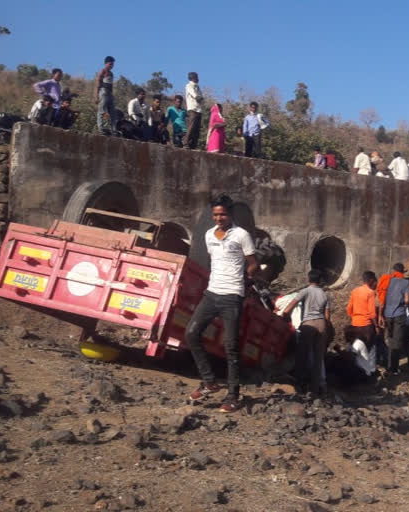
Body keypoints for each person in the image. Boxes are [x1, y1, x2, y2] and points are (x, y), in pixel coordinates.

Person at [186, 194, 257, 413]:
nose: (219, 218)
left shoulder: (241, 235)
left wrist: (244, 280)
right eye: (215, 214)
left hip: (232, 296)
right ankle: (209, 382)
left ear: (231, 214)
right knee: (191, 334)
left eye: (223, 214)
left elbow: (253, 264)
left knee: (230, 346)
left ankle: (233, 396)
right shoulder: (209, 235)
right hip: (211, 293)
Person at [282, 269, 331, 395]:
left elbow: (289, 308)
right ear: (320, 281)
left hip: (308, 324)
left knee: (302, 356)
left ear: (309, 279)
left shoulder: (305, 291)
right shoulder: (325, 294)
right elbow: (327, 317)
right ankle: (316, 388)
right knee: (318, 358)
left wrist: (285, 317)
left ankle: (300, 385)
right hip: (321, 324)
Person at [378, 263, 409, 374]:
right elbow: (406, 300)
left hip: (387, 315)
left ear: (394, 270)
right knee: (397, 342)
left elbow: (382, 300)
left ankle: (386, 364)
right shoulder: (406, 282)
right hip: (399, 315)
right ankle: (394, 368)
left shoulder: (388, 280)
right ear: (403, 272)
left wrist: (380, 315)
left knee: (388, 339)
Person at [346, 271, 379, 352]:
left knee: (357, 350)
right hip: (366, 326)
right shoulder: (370, 292)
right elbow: (372, 313)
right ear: (371, 280)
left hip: (355, 325)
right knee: (367, 350)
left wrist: (354, 318)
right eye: (374, 280)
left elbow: (349, 309)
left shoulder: (355, 291)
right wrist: (376, 326)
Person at [95, 56, 116, 134]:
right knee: (101, 111)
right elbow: (98, 83)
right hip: (103, 92)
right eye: (110, 64)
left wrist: (112, 94)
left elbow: (111, 85)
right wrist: (96, 95)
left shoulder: (111, 73)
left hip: (109, 94)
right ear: (106, 63)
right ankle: (101, 129)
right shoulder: (103, 71)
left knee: (113, 113)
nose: (111, 66)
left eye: (112, 64)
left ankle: (114, 130)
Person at [185, 72, 204, 149]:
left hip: (199, 110)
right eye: (197, 77)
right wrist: (199, 97)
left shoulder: (197, 87)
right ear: (193, 78)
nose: (198, 78)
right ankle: (185, 142)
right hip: (193, 109)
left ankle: (193, 145)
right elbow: (197, 97)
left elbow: (201, 97)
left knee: (197, 129)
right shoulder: (189, 86)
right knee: (191, 127)